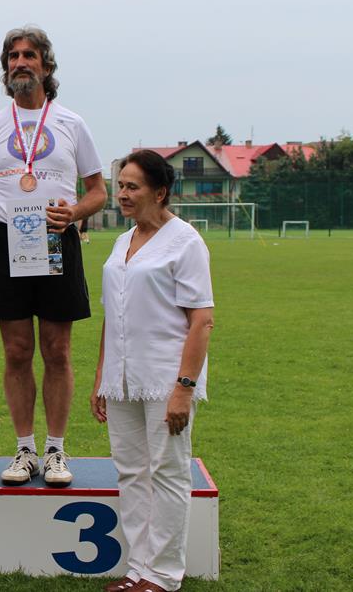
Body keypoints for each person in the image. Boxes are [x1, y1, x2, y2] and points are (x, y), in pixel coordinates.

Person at [0, 26, 107, 488]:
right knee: (17, 351)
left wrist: (74, 213)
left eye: (29, 55)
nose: (20, 62)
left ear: (46, 65)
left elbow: (98, 191)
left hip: (55, 237)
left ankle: (56, 450)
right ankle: (24, 449)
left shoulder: (71, 123)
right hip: (6, 240)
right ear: (6, 67)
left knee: (57, 350)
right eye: (13, 56)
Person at [91, 150, 215, 592]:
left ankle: (162, 575)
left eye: (133, 187)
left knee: (167, 472)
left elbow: (202, 320)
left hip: (166, 378)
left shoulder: (186, 242)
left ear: (160, 192)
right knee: (130, 472)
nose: (122, 194)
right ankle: (138, 569)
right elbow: (112, 315)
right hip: (122, 379)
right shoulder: (122, 241)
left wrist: (184, 388)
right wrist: (102, 377)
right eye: (120, 186)